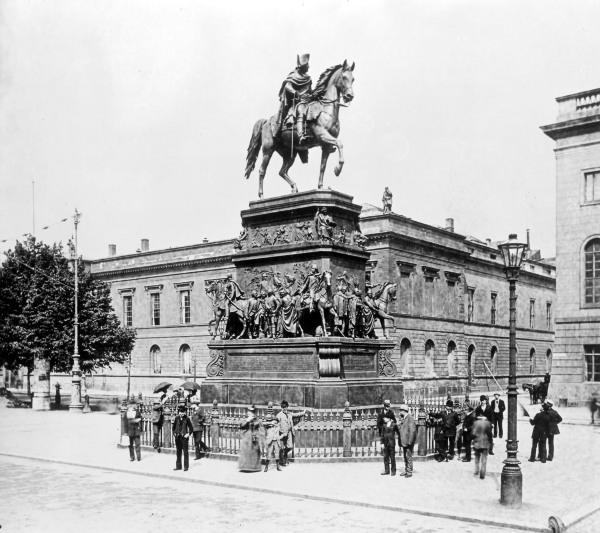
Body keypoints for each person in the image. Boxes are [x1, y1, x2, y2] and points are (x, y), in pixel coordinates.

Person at [278, 53, 312, 142]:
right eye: (307, 64)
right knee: (301, 112)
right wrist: (296, 93)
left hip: (308, 101)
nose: (309, 66)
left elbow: (310, 91)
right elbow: (287, 86)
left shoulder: (308, 78)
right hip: (299, 102)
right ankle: (300, 135)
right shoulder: (294, 74)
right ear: (303, 66)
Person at [276, 400, 307, 466]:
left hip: (289, 432)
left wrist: (303, 413)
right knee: (282, 447)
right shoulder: (279, 415)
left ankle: (284, 454)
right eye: (282, 407)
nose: (284, 408)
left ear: (287, 407)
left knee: (290, 446)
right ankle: (282, 461)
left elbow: (297, 414)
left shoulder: (290, 414)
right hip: (282, 433)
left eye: (285, 407)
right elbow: (276, 424)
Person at [238, 405, 265, 472]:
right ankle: (245, 466)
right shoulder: (247, 420)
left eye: (251, 412)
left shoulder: (257, 420)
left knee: (254, 451)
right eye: (249, 412)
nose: (249, 413)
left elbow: (261, 428)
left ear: (254, 413)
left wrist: (259, 435)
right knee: (246, 450)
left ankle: (254, 467)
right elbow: (242, 426)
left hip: (254, 436)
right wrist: (247, 421)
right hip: (247, 436)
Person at [397, 404, 417, 477]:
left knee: (408, 456)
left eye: (400, 411)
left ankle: (409, 471)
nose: (399, 412)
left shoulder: (410, 418)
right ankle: (406, 470)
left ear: (404, 411)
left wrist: (410, 441)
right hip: (404, 441)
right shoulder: (404, 418)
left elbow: (412, 431)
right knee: (405, 456)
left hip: (408, 442)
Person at [172, 404, 193, 471]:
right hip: (178, 438)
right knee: (178, 452)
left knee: (185, 452)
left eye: (183, 412)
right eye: (180, 412)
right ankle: (178, 466)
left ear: (185, 412)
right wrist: (174, 433)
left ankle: (186, 467)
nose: (182, 414)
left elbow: (191, 428)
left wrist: (188, 434)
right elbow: (173, 427)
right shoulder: (176, 418)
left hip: (184, 438)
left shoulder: (187, 418)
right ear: (178, 412)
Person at [472, 412, 493, 479]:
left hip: (477, 441)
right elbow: (490, 434)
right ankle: (482, 473)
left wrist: (474, 439)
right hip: (485, 442)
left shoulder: (475, 423)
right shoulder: (488, 423)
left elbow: (473, 433)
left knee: (477, 457)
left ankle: (476, 470)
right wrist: (490, 442)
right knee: (484, 458)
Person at [126, 398, 143, 462]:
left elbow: (140, 419)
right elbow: (125, 422)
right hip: (130, 431)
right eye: (131, 405)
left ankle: (138, 457)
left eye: (133, 405)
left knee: (137, 444)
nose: (132, 406)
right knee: (130, 445)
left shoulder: (137, 412)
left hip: (136, 431)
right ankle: (132, 457)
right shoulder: (127, 412)